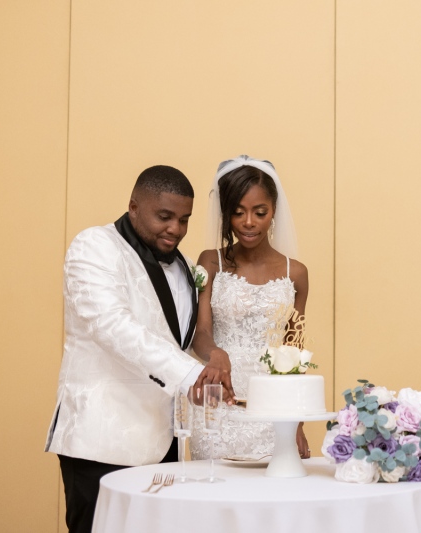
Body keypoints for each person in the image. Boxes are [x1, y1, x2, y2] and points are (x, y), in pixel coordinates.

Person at [44, 165, 232, 533]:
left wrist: (214, 356)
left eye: (184, 219)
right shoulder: (94, 245)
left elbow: (183, 334)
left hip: (166, 448)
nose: (175, 229)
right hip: (101, 444)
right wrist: (191, 374)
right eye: (164, 217)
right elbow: (111, 326)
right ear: (133, 206)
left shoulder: (184, 266)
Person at [189, 155, 310, 460]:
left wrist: (296, 421)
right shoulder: (210, 262)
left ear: (274, 211)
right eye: (238, 212)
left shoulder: (296, 273)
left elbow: (293, 352)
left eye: (260, 212)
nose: (248, 222)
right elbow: (200, 332)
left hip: (273, 408)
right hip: (219, 402)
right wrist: (217, 354)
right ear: (226, 214)